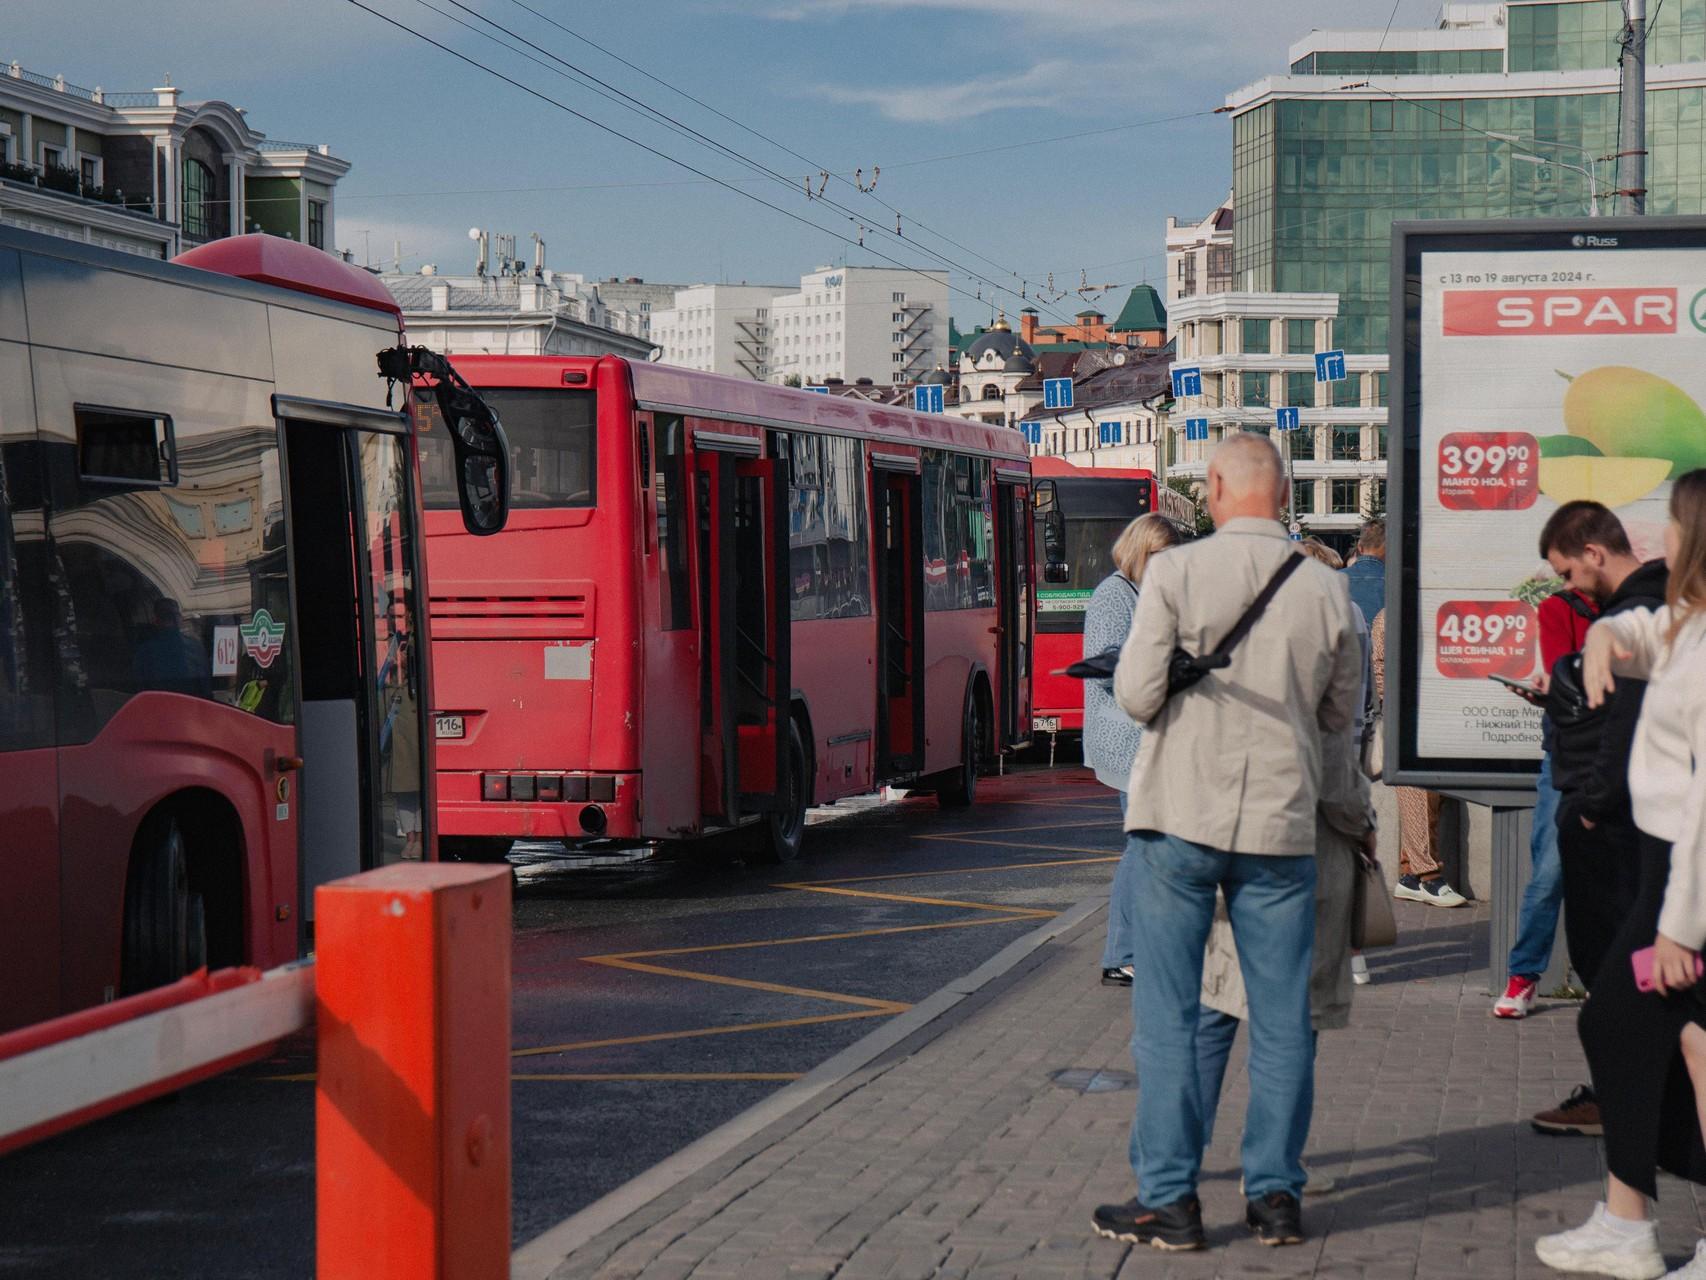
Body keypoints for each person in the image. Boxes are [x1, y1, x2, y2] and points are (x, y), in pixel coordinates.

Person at [1091, 433, 1364, 1252]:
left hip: (1180, 821)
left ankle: (1170, 1202)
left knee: (1169, 1016)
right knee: (1284, 1019)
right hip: (1281, 826)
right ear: (1282, 494)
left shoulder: (1173, 572)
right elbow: (1338, 723)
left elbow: (1136, 696)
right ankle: (1275, 1195)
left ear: (1214, 489)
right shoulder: (1328, 591)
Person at [1535, 470, 1706, 1280]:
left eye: (1670, 527)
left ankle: (1630, 1221)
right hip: (1671, 866)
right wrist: (1607, 637)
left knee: (1622, 1023)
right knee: (1683, 1039)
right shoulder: (1683, 621)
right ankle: (1628, 1219)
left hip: (1687, 878)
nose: (1659, 541)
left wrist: (1679, 922)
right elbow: (1647, 635)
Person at [1195, 535, 1376, 1195]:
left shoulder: (1213, 615)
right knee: (1291, 1021)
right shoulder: (1336, 618)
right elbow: (1339, 751)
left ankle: (1180, 1160)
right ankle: (1274, 1181)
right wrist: (1362, 823)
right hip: (1307, 843)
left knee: (1213, 1010)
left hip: (1226, 833)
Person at [1527, 503, 1670, 1140]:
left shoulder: (1628, 617)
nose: (1567, 586)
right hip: (1648, 818)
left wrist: (1590, 805)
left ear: (1593, 551)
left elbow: (1622, 721)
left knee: (1610, 969)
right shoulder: (1670, 601)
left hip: (1612, 822)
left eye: (1567, 570)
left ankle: (1625, 1102)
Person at [1083, 513, 1183, 988]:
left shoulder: (1147, 593)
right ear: (1141, 551)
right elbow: (1104, 666)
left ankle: (1139, 946)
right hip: (1126, 738)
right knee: (1144, 845)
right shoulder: (1114, 594)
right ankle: (1122, 952)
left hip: (1149, 737)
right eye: (1162, 556)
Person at [1495, 584, 1598, 1020]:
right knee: (1549, 872)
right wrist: (1554, 688)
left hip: (1627, 750)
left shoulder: (1640, 605)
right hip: (1569, 751)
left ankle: (1618, 983)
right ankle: (1524, 976)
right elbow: (1563, 674)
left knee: (1630, 875)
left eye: (1566, 566)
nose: (1561, 575)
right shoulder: (1561, 607)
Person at [1369, 610, 1468, 908]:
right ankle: (1429, 875)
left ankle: (1410, 875)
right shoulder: (1391, 616)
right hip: (1405, 714)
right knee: (1416, 789)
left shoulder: (1417, 610)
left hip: (1426, 711)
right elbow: (1380, 669)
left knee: (1430, 792)